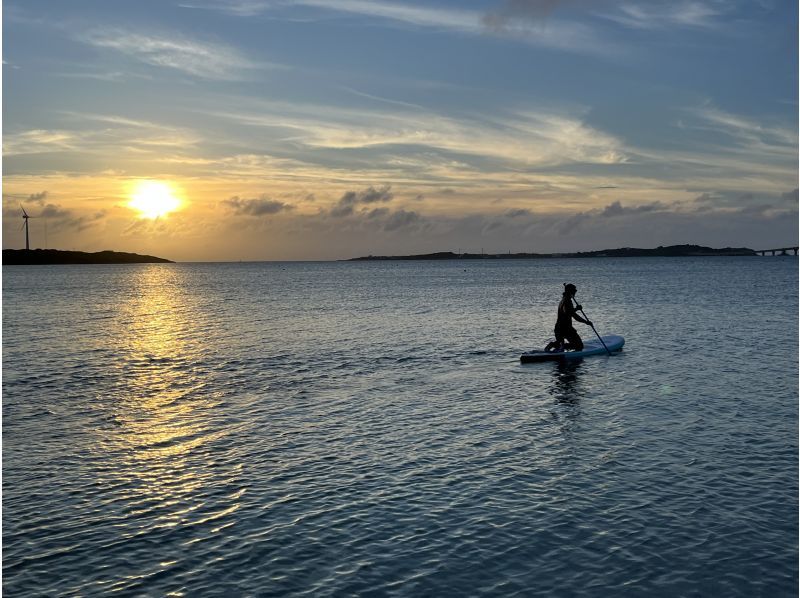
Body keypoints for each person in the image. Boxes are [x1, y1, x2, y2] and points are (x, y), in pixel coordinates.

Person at [544, 283, 593, 352]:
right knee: (579, 346)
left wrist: (576, 309)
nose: (575, 292)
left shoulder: (563, 300)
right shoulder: (567, 301)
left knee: (560, 346)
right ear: (570, 291)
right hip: (566, 329)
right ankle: (559, 346)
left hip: (559, 328)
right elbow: (573, 315)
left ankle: (556, 345)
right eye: (574, 291)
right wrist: (586, 322)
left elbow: (568, 312)